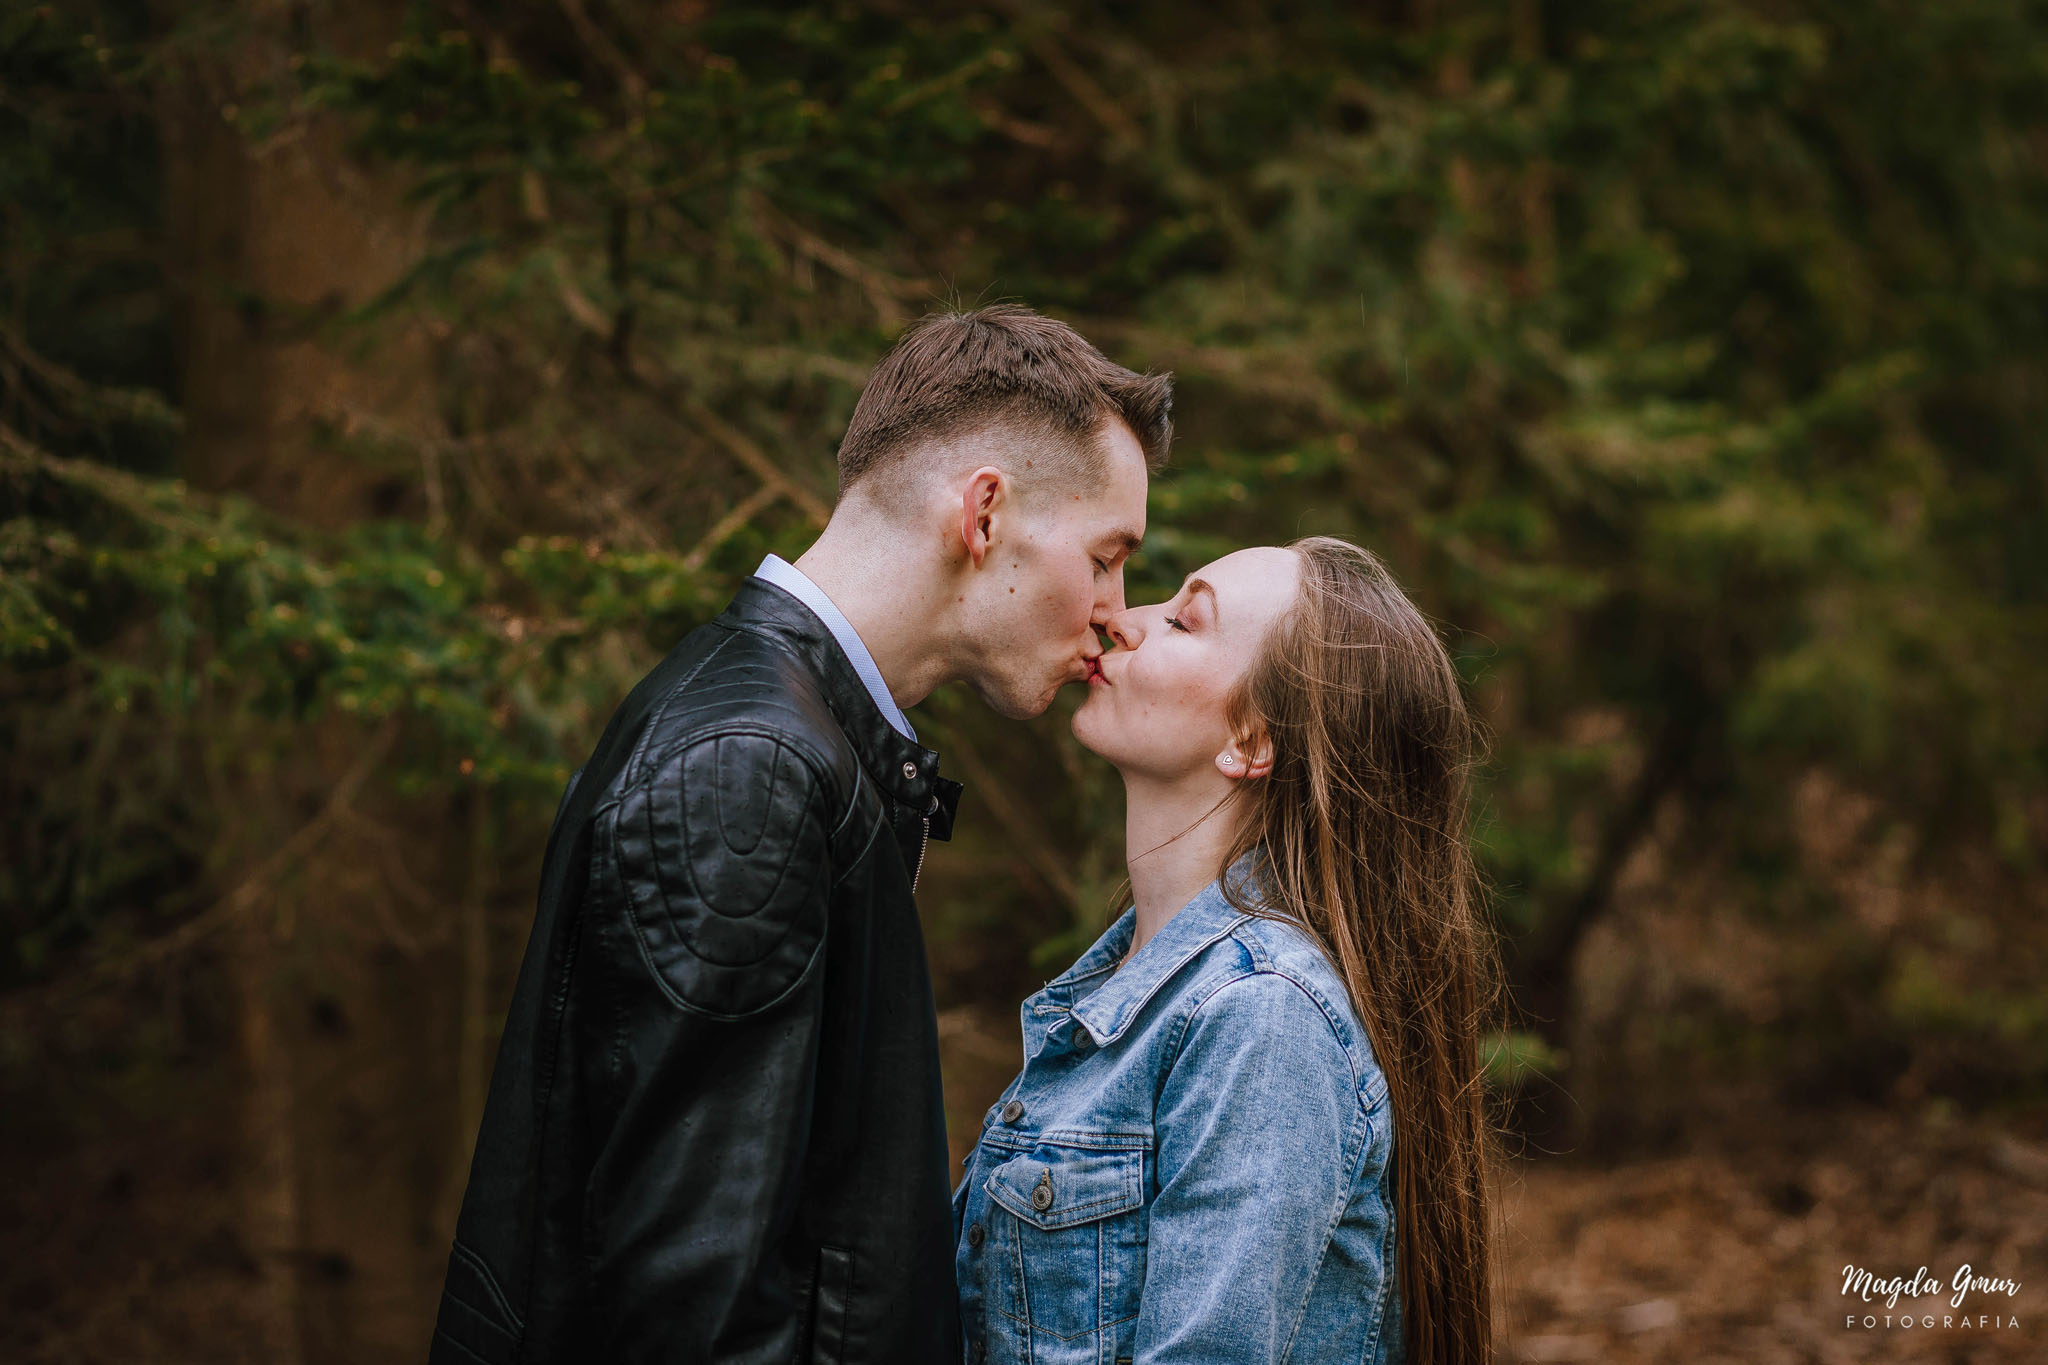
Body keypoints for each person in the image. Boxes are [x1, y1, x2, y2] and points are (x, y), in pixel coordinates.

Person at [430, 305, 1172, 1365]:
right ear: (985, 514)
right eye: (1106, 557)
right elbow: (695, 1305)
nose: (1115, 610)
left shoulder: (788, 739)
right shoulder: (750, 767)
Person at [954, 537, 1499, 1365]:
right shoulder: (1136, 991)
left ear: (1250, 740)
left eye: (1183, 620)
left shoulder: (1261, 1016)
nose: (1125, 621)